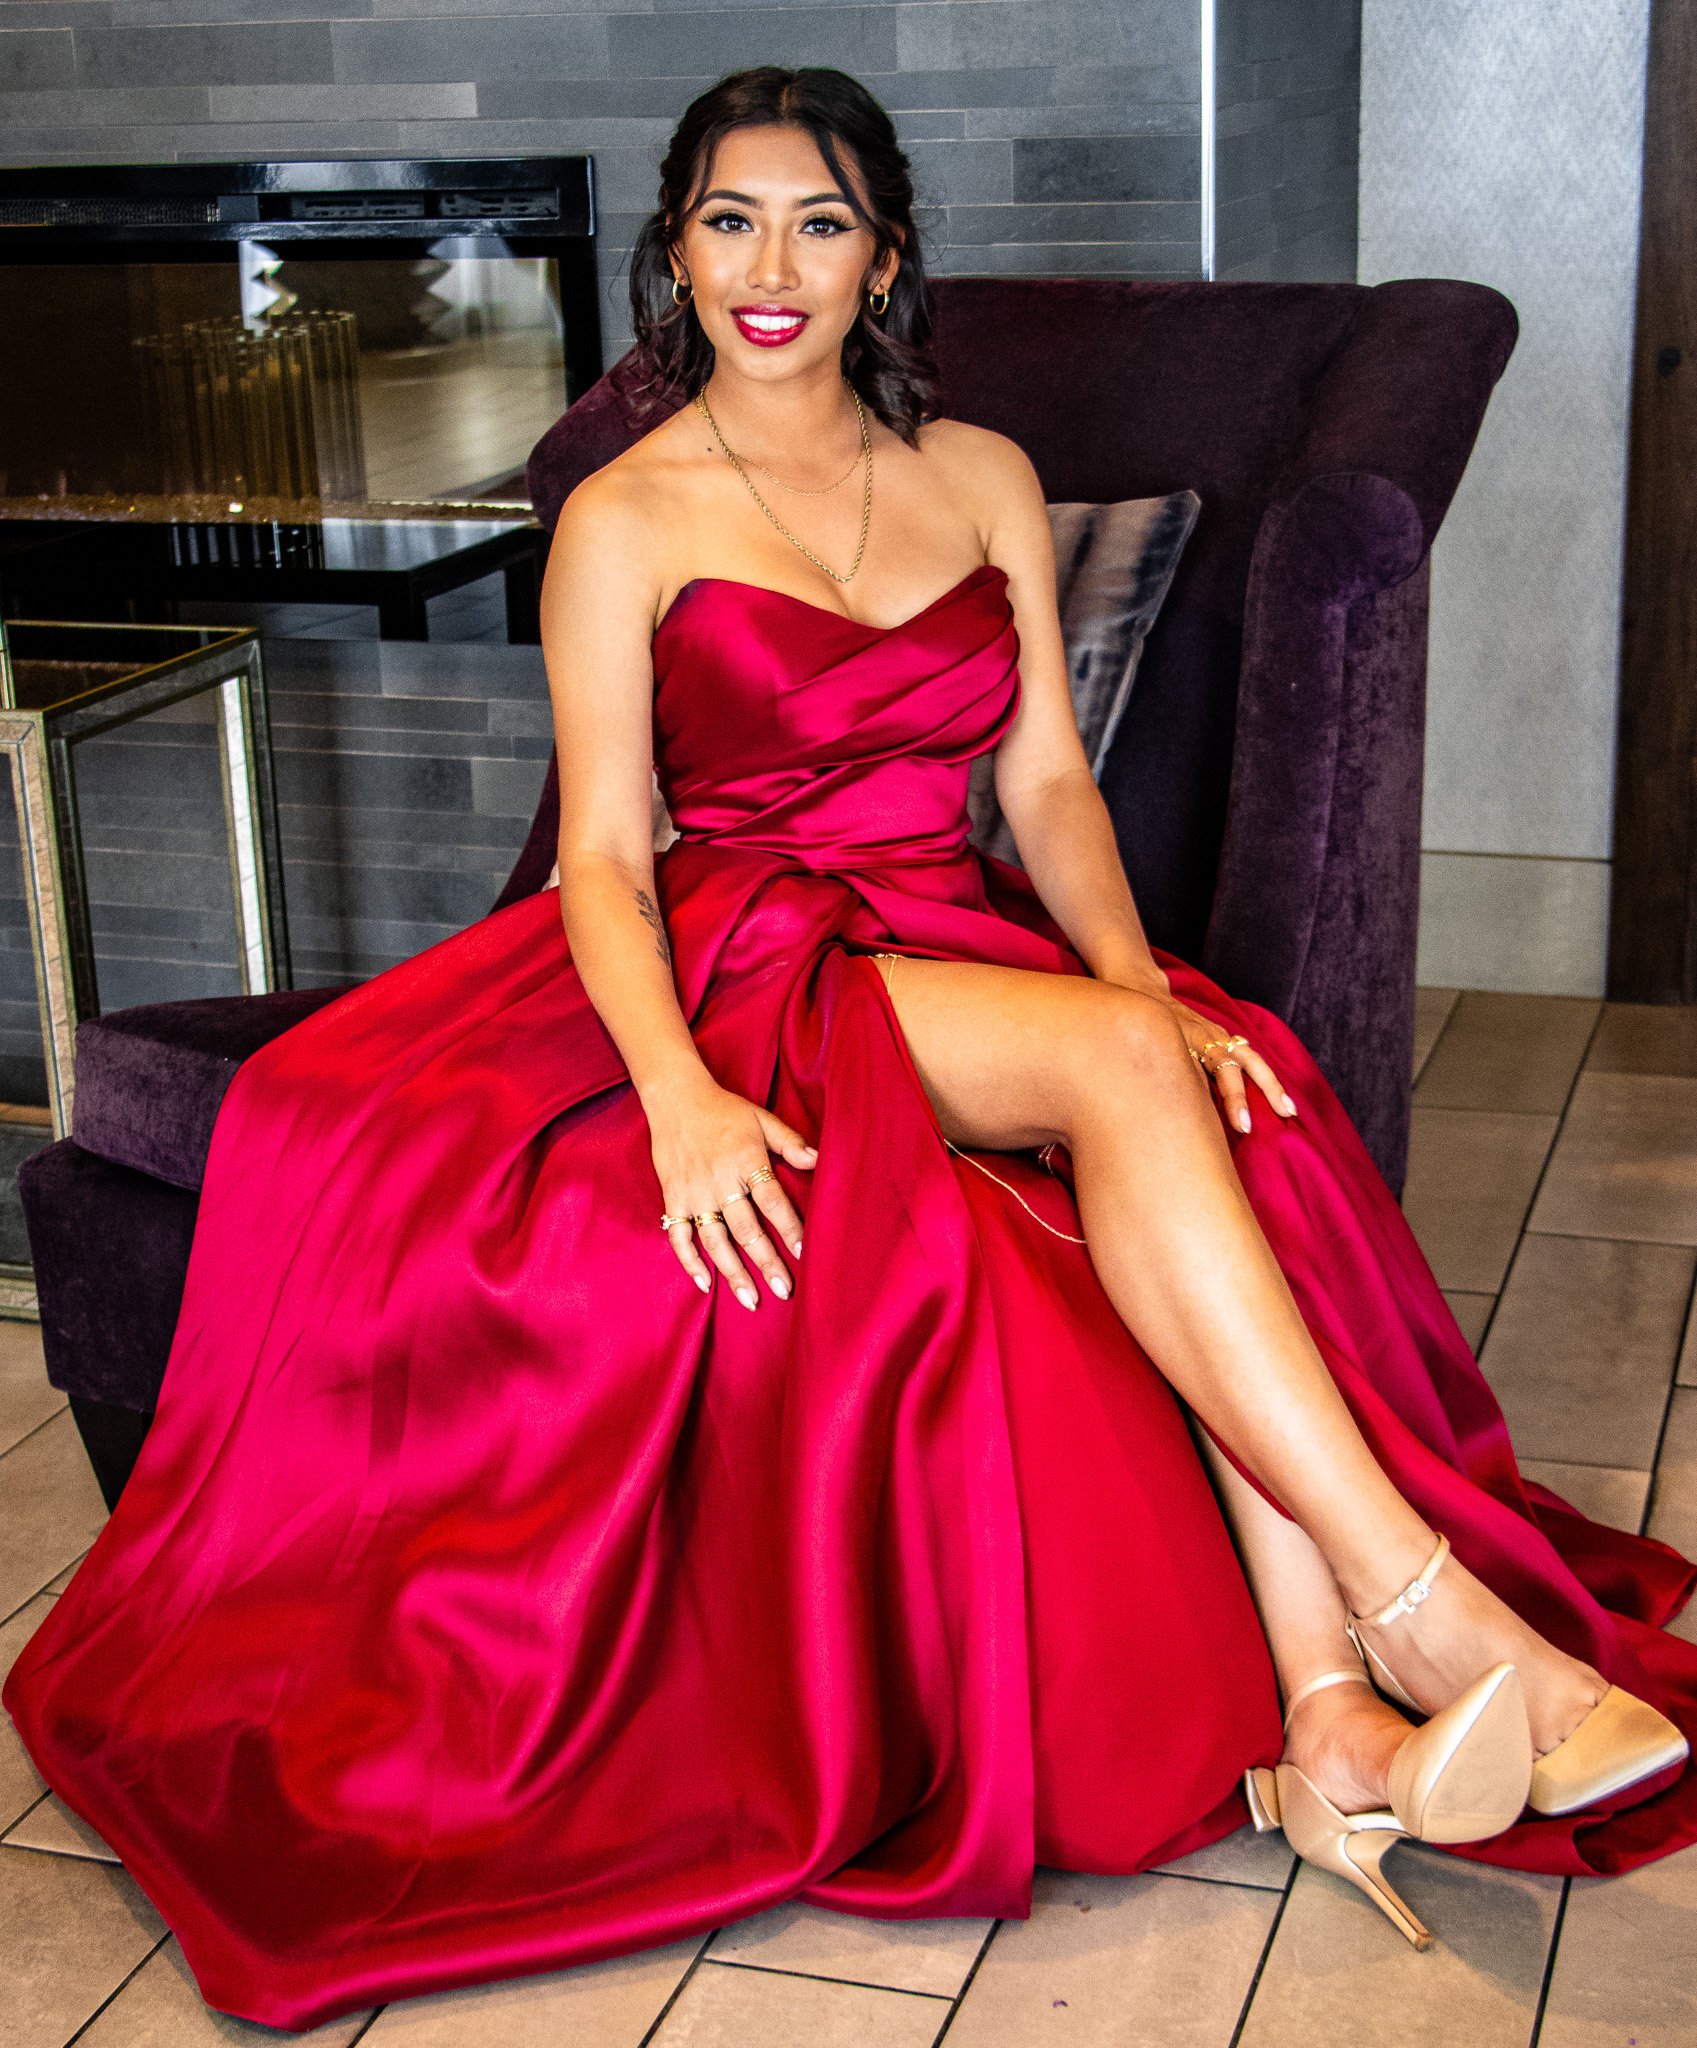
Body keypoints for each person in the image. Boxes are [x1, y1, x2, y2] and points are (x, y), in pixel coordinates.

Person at [6, 64, 1695, 2034]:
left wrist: (1137, 976)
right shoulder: (624, 516)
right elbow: (605, 856)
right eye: (730, 220)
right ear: (676, 250)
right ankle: (1425, 1612)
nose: (771, 266)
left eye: (818, 223)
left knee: (1205, 1081)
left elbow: (1044, 783)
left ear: (883, 258)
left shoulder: (978, 474)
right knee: (1130, 1077)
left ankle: (1331, 1720)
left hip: (945, 931)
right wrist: (677, 1095)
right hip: (742, 954)